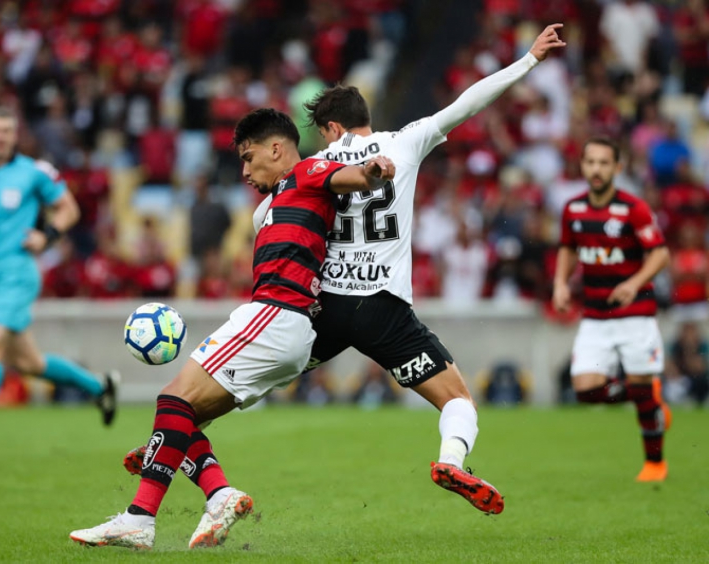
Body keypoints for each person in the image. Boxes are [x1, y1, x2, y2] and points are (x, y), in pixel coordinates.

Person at [225, 23, 564, 515]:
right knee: (457, 400)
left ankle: (184, 435)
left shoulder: (314, 166)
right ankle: (452, 461)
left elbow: (265, 217)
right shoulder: (404, 142)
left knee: (255, 377)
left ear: (332, 129)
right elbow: (468, 102)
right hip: (383, 307)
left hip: (326, 307)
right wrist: (528, 59)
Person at [69, 108, 396, 550]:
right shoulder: (280, 198)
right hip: (289, 328)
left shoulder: (306, 172)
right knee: (183, 420)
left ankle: (139, 520)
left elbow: (352, 177)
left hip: (276, 312)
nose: (243, 170)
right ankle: (220, 495)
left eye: (248, 157)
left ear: (276, 149)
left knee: (172, 400)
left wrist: (373, 171)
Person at [0, 106, 119, 457]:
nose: (0, 136)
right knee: (31, 364)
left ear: (15, 135)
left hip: (19, 272)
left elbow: (68, 209)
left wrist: (47, 236)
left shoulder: (33, 172)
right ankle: (100, 387)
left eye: (6, 130)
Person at [553, 137, 672, 482]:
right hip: (595, 315)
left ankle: (654, 464)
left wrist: (634, 283)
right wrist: (561, 283)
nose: (596, 169)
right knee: (586, 389)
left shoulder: (633, 208)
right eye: (591, 162)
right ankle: (650, 399)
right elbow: (567, 247)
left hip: (635, 313)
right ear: (582, 167)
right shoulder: (573, 209)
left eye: (604, 163)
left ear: (617, 168)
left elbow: (660, 253)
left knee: (639, 387)